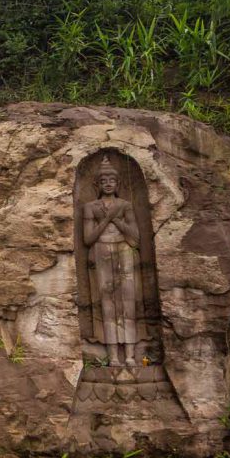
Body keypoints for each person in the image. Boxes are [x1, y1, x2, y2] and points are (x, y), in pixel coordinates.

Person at [82, 156, 141, 366]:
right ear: (97, 184)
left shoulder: (125, 205)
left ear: (118, 184)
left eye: (112, 180)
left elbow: (136, 237)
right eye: (104, 180)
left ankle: (131, 355)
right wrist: (106, 219)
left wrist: (116, 219)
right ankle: (114, 356)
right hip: (101, 249)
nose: (108, 183)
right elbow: (87, 239)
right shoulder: (90, 207)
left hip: (123, 248)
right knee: (107, 303)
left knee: (128, 302)